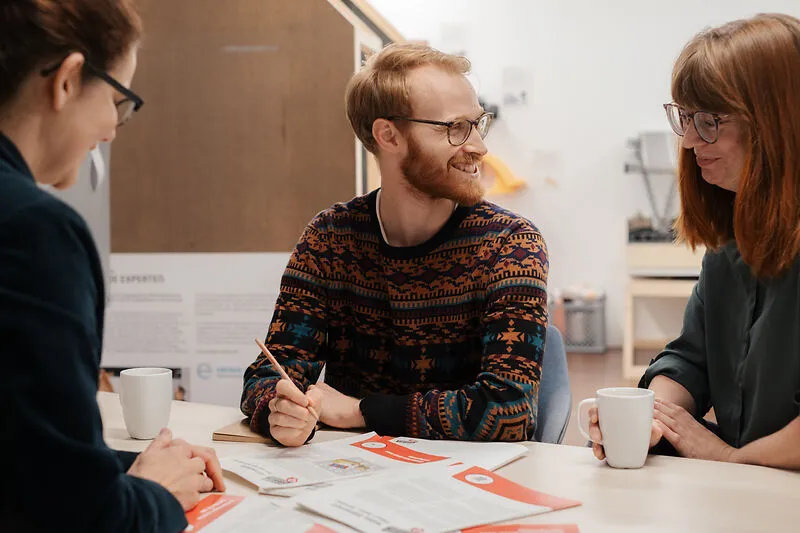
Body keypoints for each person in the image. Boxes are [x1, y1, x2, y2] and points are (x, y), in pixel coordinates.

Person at [241, 43, 549, 447]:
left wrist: (359, 411)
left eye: (478, 124)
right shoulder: (330, 238)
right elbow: (269, 374)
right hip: (350, 480)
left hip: (467, 485)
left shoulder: (511, 244)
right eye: (456, 128)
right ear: (388, 135)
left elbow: (509, 411)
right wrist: (280, 411)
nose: (479, 146)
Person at [0, 2, 225, 532]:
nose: (111, 132)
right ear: (68, 80)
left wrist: (121, 473)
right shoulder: (33, 231)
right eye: (119, 103)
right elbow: (84, 518)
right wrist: (152, 494)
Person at [590, 13, 800, 470]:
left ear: (777, 120)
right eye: (685, 118)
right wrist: (649, 416)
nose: (687, 141)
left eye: (708, 121)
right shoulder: (730, 249)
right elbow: (690, 359)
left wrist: (731, 456)